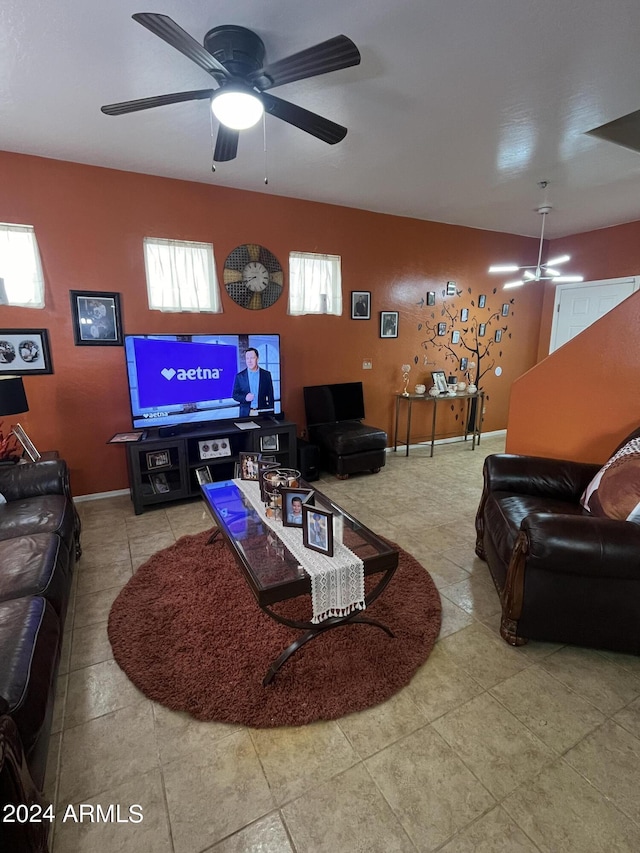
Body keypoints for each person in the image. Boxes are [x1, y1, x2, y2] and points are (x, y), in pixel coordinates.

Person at [232, 348, 274, 417]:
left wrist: (271, 413)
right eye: (247, 358)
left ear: (257, 359)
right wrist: (245, 398)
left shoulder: (266, 375)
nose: (249, 361)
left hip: (263, 413)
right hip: (246, 414)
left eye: (252, 358)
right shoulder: (239, 376)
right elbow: (235, 395)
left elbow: (270, 396)